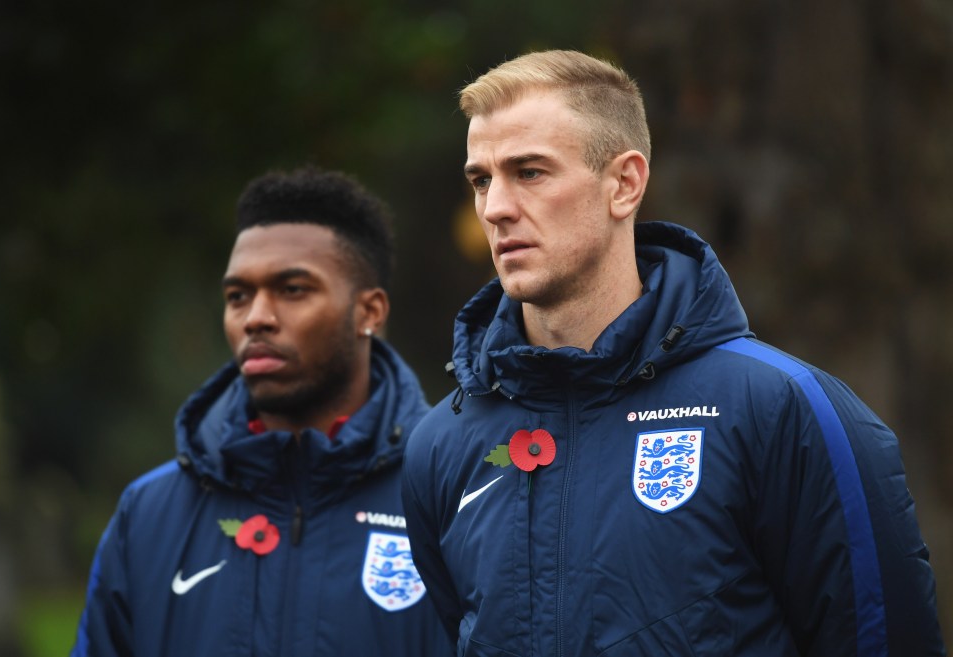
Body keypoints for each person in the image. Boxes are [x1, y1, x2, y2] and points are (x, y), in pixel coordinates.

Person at [401, 50, 946, 656]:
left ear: (625, 184)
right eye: (482, 179)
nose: (495, 209)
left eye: (529, 172)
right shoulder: (441, 443)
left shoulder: (782, 408)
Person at [73, 165, 451, 656]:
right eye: (238, 296)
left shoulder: (449, 499)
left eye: (292, 290)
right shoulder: (147, 515)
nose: (256, 318)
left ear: (369, 312)